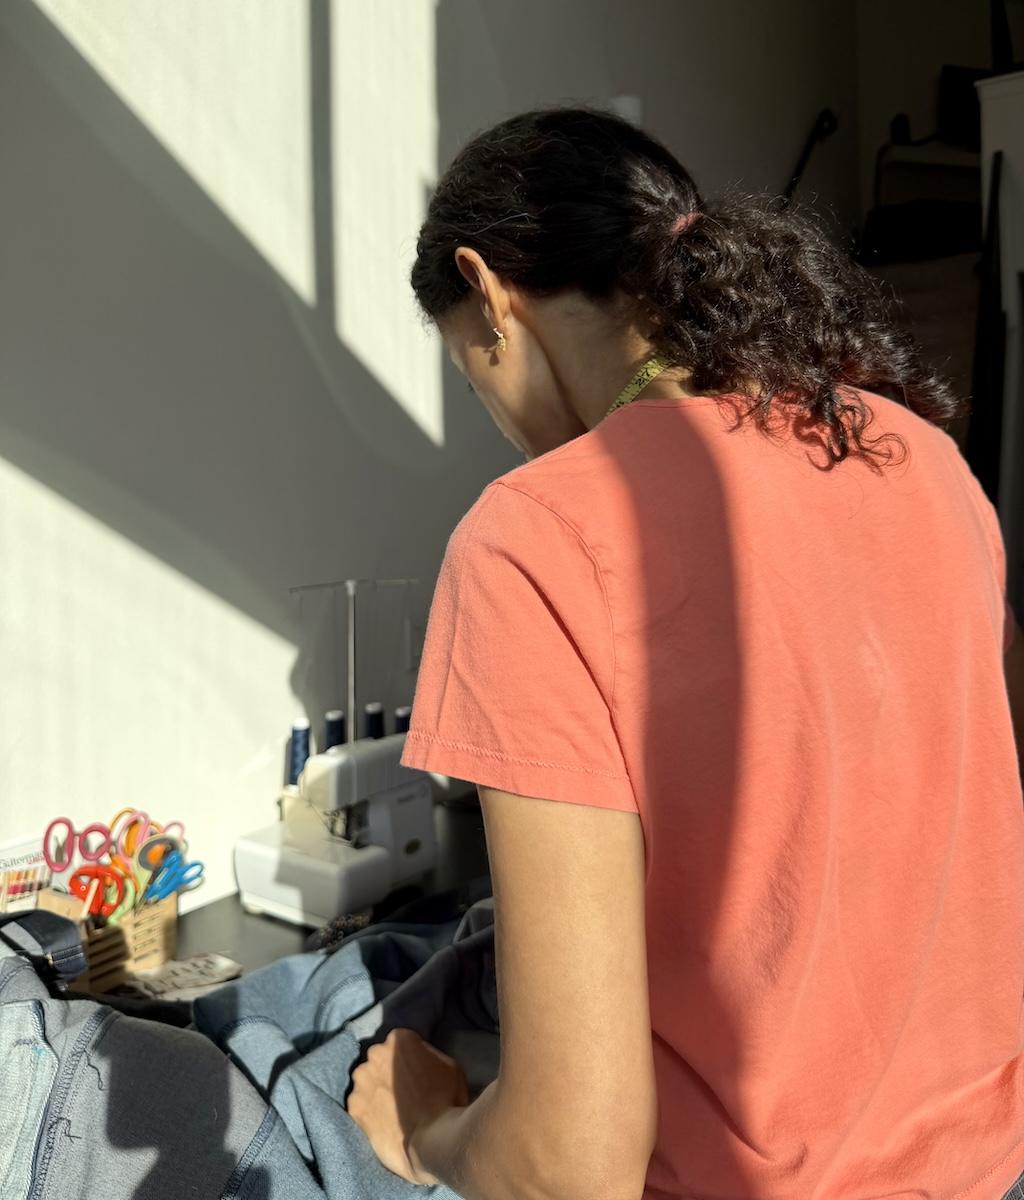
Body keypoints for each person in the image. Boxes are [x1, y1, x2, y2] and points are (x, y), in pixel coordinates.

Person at [346, 107, 1024, 1200]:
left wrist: (422, 1130)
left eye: (469, 373)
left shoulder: (535, 532)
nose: (495, 417)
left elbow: (568, 1168)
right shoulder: (931, 464)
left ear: (488, 294)